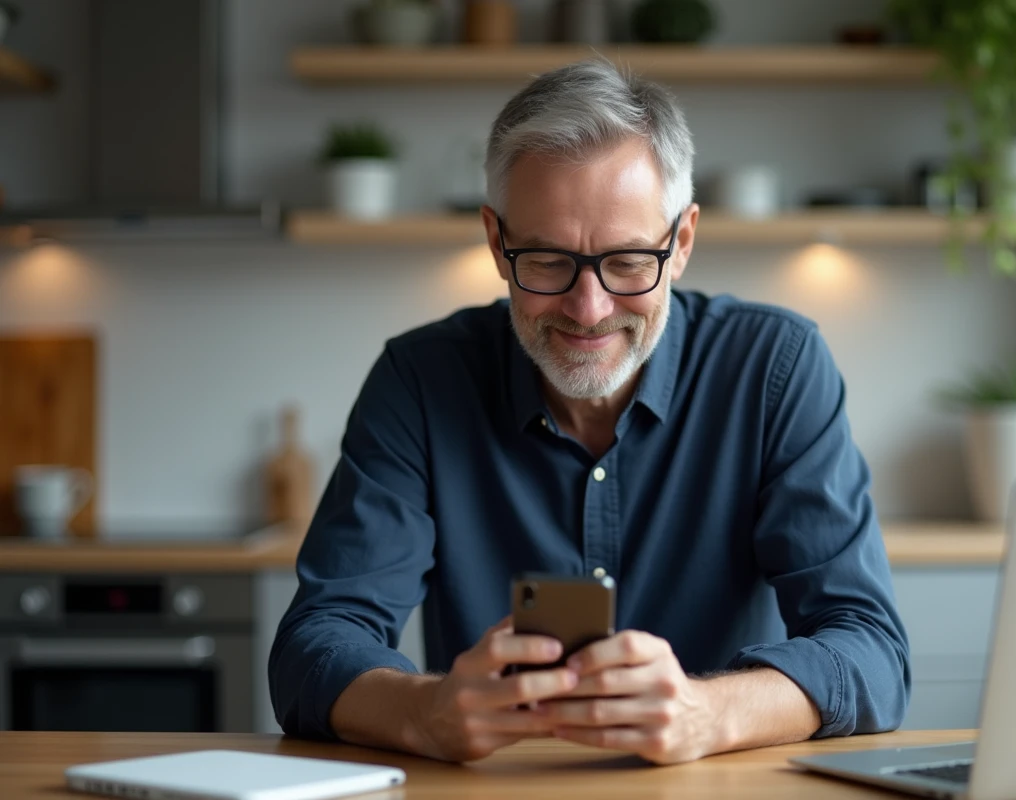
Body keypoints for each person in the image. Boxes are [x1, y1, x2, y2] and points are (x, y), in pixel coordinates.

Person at [269, 59, 910, 765]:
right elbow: (315, 644)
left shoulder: (775, 367)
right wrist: (425, 712)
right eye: (546, 261)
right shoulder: (420, 380)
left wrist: (710, 714)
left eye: (630, 260)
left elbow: (870, 649)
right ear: (495, 242)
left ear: (683, 243)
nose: (589, 308)